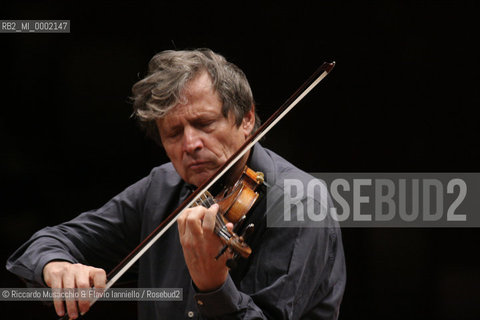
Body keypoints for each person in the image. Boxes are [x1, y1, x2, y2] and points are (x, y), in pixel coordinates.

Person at [6, 48, 346, 319]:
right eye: (174, 133)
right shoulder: (162, 188)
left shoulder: (300, 203)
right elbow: (47, 242)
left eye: (204, 123)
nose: (190, 144)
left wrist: (213, 287)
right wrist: (56, 265)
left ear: (247, 120)